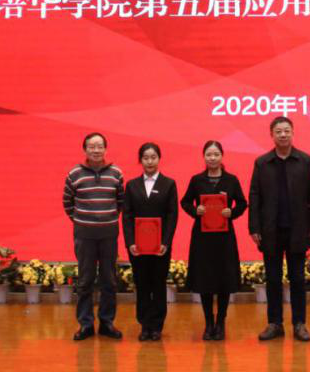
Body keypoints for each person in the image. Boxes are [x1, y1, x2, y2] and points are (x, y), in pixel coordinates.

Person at [248, 116, 310, 342]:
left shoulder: (305, 161)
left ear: (292, 133)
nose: (283, 135)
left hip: (298, 229)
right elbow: (255, 197)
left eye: (286, 131)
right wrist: (254, 227)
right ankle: (275, 323)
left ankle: (299, 323)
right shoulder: (262, 163)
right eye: (278, 131)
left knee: (297, 278)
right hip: (270, 230)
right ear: (271, 134)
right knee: (273, 278)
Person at [180, 140, 248, 341]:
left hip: (224, 237)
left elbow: (242, 203)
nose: (212, 158)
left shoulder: (231, 180)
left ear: (222, 156)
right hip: (202, 237)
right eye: (209, 154)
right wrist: (196, 210)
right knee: (205, 280)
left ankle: (221, 322)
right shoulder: (196, 180)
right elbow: (185, 201)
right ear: (204, 157)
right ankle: (208, 323)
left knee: (224, 280)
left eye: (216, 154)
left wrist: (231, 212)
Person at [63, 132, 125, 341]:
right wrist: (83, 222)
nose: (96, 150)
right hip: (84, 236)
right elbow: (67, 203)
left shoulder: (116, 173)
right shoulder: (74, 174)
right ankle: (86, 324)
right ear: (85, 149)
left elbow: (120, 202)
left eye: (100, 146)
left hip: (109, 235)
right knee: (85, 280)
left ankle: (107, 323)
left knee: (109, 280)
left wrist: (105, 219)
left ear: (105, 149)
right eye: (92, 146)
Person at [122, 142, 178, 341]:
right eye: (146, 158)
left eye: (153, 157)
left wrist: (166, 242)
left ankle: (157, 326)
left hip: (160, 247)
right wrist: (130, 242)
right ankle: (144, 325)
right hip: (137, 247)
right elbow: (127, 216)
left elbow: (172, 215)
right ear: (140, 160)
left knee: (158, 284)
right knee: (142, 284)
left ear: (159, 159)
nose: (150, 161)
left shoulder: (168, 184)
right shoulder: (132, 185)